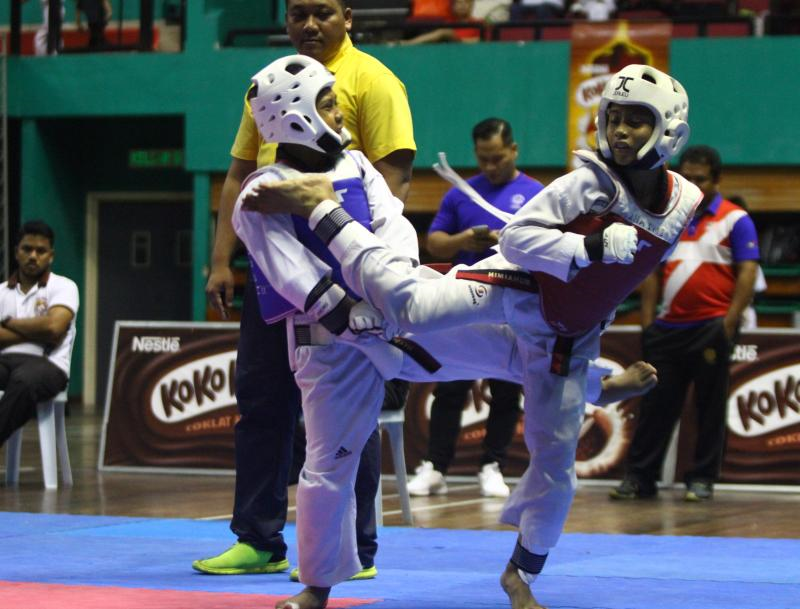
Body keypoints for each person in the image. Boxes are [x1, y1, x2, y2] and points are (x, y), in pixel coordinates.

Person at [246, 63, 700, 609]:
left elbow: (394, 223)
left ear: (668, 130)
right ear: (292, 116)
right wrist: (339, 306)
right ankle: (316, 587)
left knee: (551, 452)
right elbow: (284, 267)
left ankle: (525, 563)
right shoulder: (262, 190)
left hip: (544, 327)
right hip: (362, 326)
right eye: (325, 103)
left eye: (636, 120)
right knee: (341, 443)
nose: (621, 131)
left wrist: (398, 266)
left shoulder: (358, 164)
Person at [193, 0, 416, 581]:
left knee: (351, 410)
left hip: (349, 270)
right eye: (297, 14)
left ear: (348, 16)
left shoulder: (373, 81)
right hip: (276, 273)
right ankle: (258, 538)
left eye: (322, 13)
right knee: (262, 402)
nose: (309, 25)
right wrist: (220, 261)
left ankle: (355, 547)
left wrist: (374, 272)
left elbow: (390, 183)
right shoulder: (268, 86)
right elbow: (240, 174)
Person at [610, 145, 760, 503]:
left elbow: (748, 272)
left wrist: (728, 323)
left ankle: (702, 479)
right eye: (687, 178)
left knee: (709, 408)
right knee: (655, 405)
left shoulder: (736, 219)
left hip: (711, 327)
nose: (693, 185)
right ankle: (640, 478)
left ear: (717, 180)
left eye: (701, 179)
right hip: (667, 330)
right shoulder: (667, 218)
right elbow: (650, 271)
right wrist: (648, 322)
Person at [408, 118, 543, 498]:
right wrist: (464, 239)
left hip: (513, 303)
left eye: (498, 158)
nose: (490, 166)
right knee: (450, 385)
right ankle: (435, 466)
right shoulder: (460, 194)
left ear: (514, 150)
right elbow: (434, 244)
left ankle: (493, 466)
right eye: (483, 159)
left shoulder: (537, 194)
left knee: (507, 389)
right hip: (464, 301)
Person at [0, 221, 78, 448]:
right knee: (18, 378)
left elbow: (54, 328)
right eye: (27, 249)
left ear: (50, 256)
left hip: (50, 365)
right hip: (5, 361)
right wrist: (38, 331)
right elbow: (50, 331)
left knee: (24, 380)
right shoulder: (1, 291)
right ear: (17, 252)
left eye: (40, 251)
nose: (33, 256)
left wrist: (8, 322)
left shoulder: (64, 286)